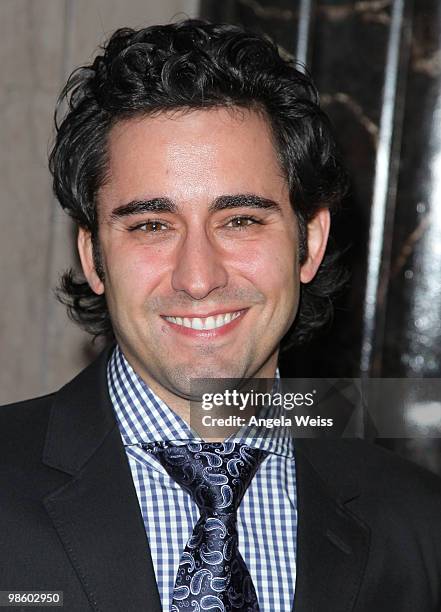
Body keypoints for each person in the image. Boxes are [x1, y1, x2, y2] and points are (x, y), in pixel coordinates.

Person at [1, 19, 440, 612]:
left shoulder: (418, 524)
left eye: (241, 221)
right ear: (94, 257)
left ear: (308, 242)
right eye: (152, 226)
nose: (199, 277)